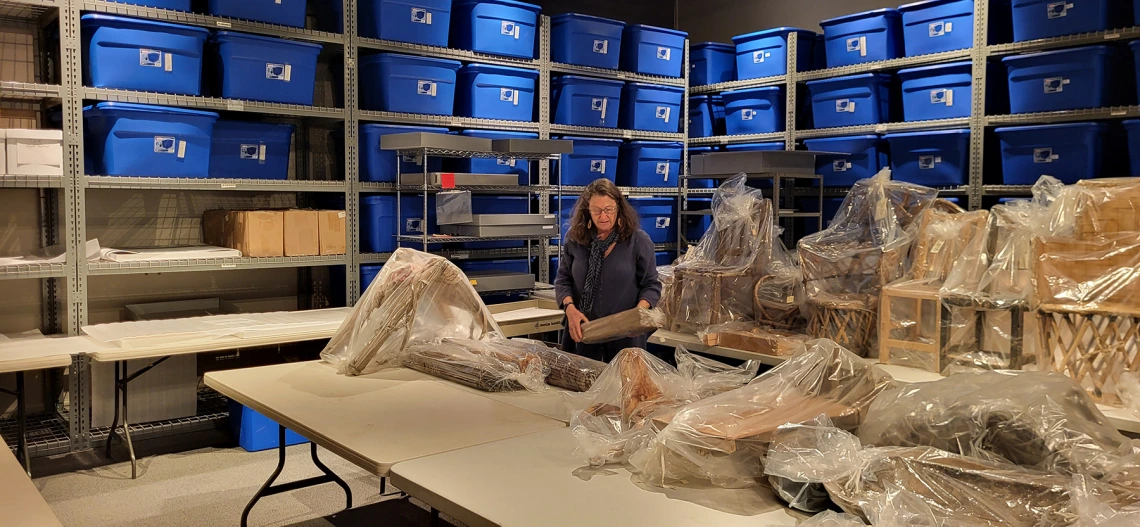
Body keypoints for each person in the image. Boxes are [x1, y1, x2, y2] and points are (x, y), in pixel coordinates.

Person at [554, 178, 662, 362]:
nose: (603, 216)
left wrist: (635, 317)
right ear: (587, 211)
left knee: (623, 388)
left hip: (625, 339)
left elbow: (651, 285)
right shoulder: (575, 239)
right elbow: (563, 280)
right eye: (596, 210)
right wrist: (569, 308)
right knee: (583, 387)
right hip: (582, 333)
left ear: (619, 208)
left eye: (609, 209)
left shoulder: (638, 241)